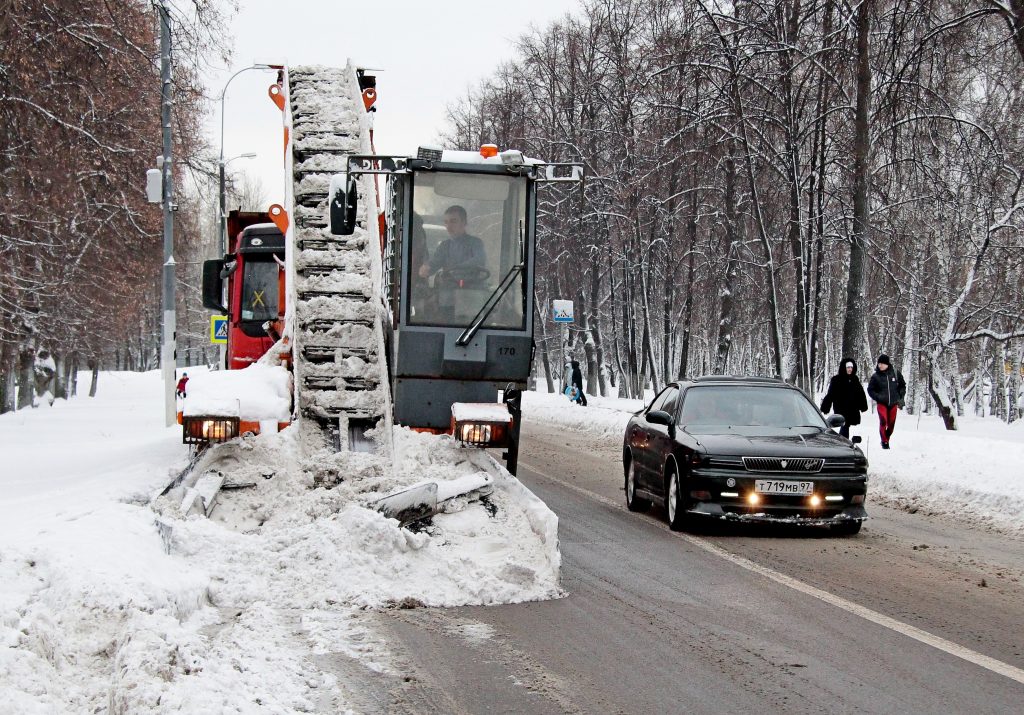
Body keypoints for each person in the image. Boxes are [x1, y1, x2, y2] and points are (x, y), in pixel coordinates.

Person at [417, 205, 486, 282]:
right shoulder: (444, 246)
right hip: (449, 289)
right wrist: (426, 268)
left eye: (453, 221)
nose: (448, 226)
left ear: (464, 222)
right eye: (446, 222)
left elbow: (479, 260)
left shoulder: (475, 243)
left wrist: (455, 269)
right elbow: (435, 262)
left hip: (472, 289)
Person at [820, 358, 868, 438]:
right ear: (844, 368)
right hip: (840, 407)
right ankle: (843, 442)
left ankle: (843, 441)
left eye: (851, 368)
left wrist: (863, 406)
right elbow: (831, 394)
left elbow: (860, 393)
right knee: (844, 424)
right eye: (848, 367)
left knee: (846, 425)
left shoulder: (854, 379)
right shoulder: (836, 380)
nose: (850, 369)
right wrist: (826, 407)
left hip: (852, 408)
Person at [866, 353, 906, 449]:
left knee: (891, 425)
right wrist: (878, 397)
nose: (880, 365)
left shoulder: (895, 373)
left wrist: (900, 395)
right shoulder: (875, 376)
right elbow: (870, 390)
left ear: (887, 364)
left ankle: (886, 437)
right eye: (879, 364)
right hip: (882, 403)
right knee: (883, 422)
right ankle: (885, 443)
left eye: (882, 364)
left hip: (893, 403)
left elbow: (902, 385)